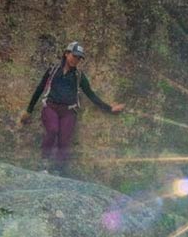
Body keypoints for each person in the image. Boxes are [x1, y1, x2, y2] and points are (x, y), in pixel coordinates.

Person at [21, 41, 125, 172]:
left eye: (79, 58)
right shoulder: (53, 70)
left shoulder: (79, 76)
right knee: (53, 130)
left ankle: (58, 170)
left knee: (64, 141)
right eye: (74, 56)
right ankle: (44, 163)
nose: (76, 60)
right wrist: (29, 110)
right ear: (66, 54)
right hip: (50, 107)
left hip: (69, 111)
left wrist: (109, 108)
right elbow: (40, 88)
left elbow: (91, 94)